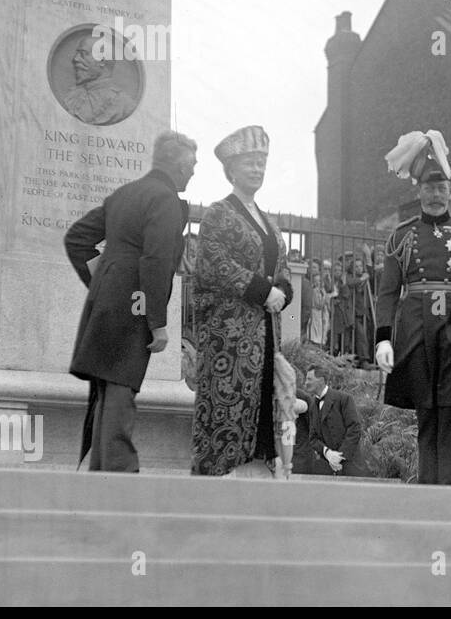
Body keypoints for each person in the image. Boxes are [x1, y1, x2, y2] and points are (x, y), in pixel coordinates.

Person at [64, 130, 196, 471]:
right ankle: (120, 476)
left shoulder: (126, 193)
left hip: (109, 302)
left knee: (108, 391)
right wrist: (158, 322)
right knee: (121, 389)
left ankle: (102, 476)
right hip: (136, 304)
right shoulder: (165, 199)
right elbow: (154, 260)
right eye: (191, 164)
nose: (194, 172)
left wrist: (103, 284)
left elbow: (77, 239)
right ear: (176, 165)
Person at [374, 136, 451, 485]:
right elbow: (388, 293)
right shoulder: (402, 235)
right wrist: (383, 340)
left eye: (441, 186)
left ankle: (448, 493)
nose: (436, 193)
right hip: (416, 330)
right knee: (426, 410)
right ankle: (427, 489)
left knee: (450, 412)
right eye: (429, 186)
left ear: (450, 191)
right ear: (419, 191)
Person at [190, 126, 294, 478]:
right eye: (250, 162)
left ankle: (257, 472)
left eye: (262, 163)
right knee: (227, 405)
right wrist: (263, 291)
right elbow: (215, 264)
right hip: (229, 337)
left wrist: (282, 289)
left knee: (264, 408)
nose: (257, 169)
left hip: (265, 333)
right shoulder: (218, 213)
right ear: (231, 169)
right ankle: (216, 482)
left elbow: (280, 268)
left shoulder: (269, 222)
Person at [62, 35, 138, 126]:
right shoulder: (71, 97)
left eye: (83, 54)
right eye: (77, 54)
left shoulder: (125, 105)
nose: (75, 59)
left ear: (102, 61)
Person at [303, 368, 363, 476]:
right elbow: (313, 438)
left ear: (321, 381)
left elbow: (354, 429)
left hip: (350, 465)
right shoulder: (312, 406)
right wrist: (327, 453)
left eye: (309, 379)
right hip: (327, 467)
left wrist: (339, 456)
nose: (306, 383)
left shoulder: (343, 399)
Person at [345, 257, 374, 365]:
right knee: (360, 335)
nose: (358, 268)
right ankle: (363, 360)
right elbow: (350, 283)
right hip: (354, 312)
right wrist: (362, 279)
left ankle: (368, 359)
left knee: (367, 336)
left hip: (365, 312)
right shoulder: (350, 277)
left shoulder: (365, 277)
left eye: (360, 266)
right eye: (356, 266)